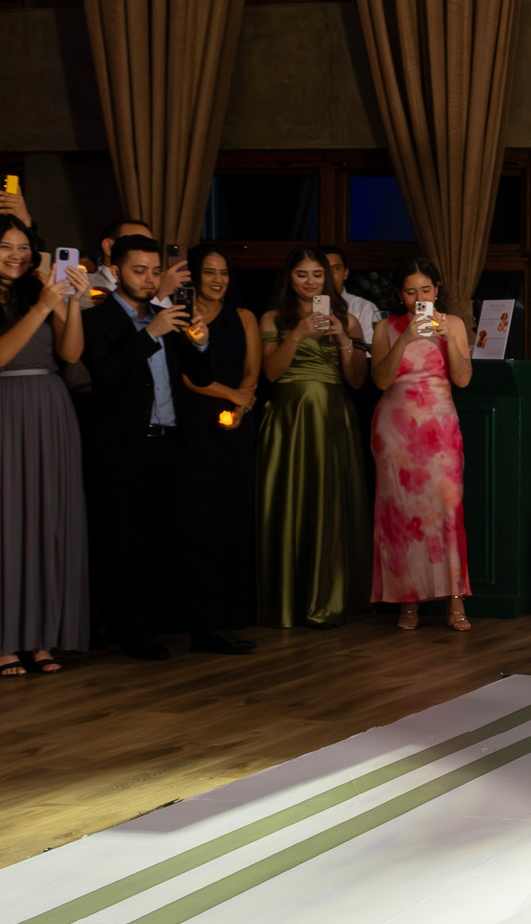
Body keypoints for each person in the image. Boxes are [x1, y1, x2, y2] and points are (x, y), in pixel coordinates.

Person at [80, 235, 254, 659]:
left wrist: (198, 341)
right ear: (117, 271)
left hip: (176, 440)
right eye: (139, 271)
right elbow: (105, 376)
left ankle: (208, 628)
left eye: (155, 271)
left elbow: (198, 370)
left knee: (196, 536)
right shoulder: (98, 318)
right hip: (124, 447)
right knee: (128, 544)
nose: (149, 279)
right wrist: (149, 333)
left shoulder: (169, 313)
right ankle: (135, 633)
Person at [0, 214, 90, 677]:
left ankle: (39, 638)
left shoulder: (41, 293)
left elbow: (69, 354)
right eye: (6, 247)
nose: (17, 255)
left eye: (24, 247)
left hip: (50, 405)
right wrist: (44, 306)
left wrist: (71, 304)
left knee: (46, 522)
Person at [256, 245, 370, 627]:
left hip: (334, 417)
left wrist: (343, 341)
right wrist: (298, 334)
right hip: (290, 419)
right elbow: (270, 374)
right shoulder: (273, 318)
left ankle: (330, 599)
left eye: (317, 275)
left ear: (329, 278)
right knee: (291, 502)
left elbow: (357, 381)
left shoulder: (348, 321)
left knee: (331, 503)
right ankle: (286, 600)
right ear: (289, 277)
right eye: (302, 274)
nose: (310, 282)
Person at [369, 259, 472, 631]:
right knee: (400, 514)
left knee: (446, 509)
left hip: (440, 427)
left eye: (425, 290)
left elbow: (463, 379)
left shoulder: (454, 323)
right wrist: (407, 339)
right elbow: (380, 379)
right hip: (395, 430)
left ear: (437, 290)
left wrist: (445, 338)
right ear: (400, 294)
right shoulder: (385, 327)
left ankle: (455, 601)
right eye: (411, 292)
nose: (419, 299)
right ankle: (406, 602)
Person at [173, 245, 261, 631]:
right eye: (209, 272)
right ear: (193, 275)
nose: (218, 280)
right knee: (198, 521)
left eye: (223, 273)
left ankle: (234, 616)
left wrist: (241, 408)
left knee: (235, 517)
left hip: (238, 427)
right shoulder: (181, 316)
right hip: (194, 424)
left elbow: (252, 373)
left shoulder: (243, 317)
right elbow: (186, 378)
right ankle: (199, 618)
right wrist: (232, 396)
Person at [324, 246, 383, 336]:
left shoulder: (364, 307)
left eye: (336, 268)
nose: (330, 274)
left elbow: (370, 348)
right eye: (325, 268)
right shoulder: (303, 306)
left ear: (345, 273)